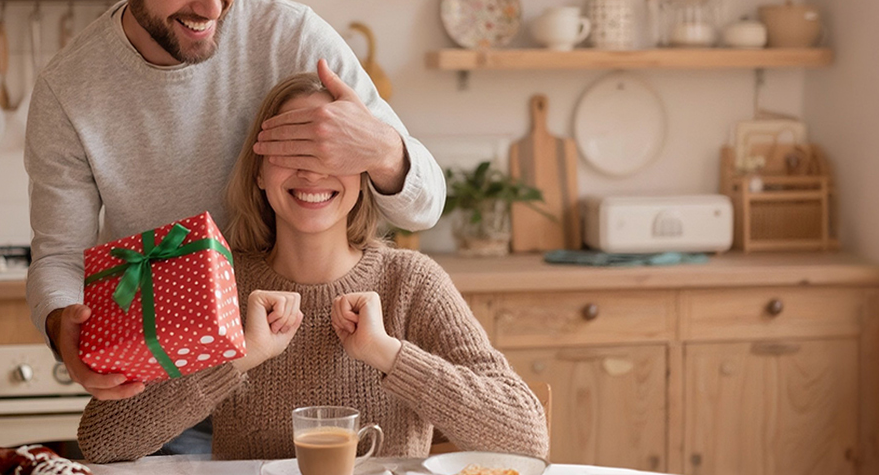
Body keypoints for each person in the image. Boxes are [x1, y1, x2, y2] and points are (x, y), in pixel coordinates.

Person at [25, 0, 445, 433]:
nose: (211, 5)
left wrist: (382, 148)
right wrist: (63, 328)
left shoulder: (292, 36)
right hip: (171, 392)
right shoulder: (68, 89)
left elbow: (425, 206)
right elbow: (60, 257)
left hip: (290, 381)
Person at [75, 73, 550, 462]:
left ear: (364, 172)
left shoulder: (411, 282)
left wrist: (389, 354)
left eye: (331, 151)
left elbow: (528, 436)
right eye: (289, 151)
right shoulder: (220, 283)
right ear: (259, 173)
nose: (311, 171)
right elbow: (101, 440)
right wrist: (239, 355)